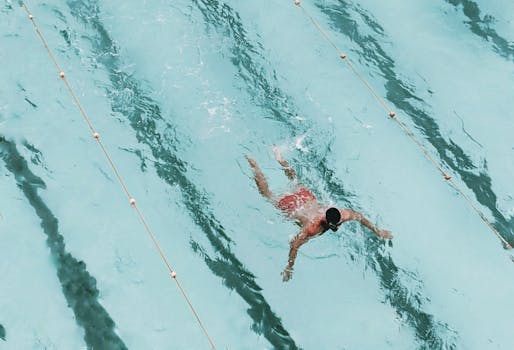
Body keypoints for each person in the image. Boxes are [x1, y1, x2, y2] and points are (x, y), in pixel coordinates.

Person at [246, 147, 392, 282]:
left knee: (295, 180)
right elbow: (294, 245)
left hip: (305, 197)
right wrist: (289, 268)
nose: (338, 226)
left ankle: (278, 156)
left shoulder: (342, 214)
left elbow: (359, 216)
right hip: (292, 206)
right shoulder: (312, 228)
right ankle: (254, 165)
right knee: (267, 195)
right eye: (335, 225)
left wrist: (379, 232)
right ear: (328, 222)